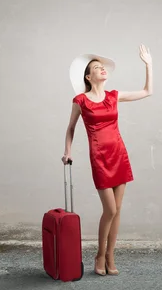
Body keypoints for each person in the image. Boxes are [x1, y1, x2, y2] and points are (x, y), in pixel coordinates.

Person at [61, 44, 153, 276]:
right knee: (110, 210)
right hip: (100, 157)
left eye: (103, 67)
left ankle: (111, 256)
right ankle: (100, 255)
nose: (102, 69)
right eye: (96, 67)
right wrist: (68, 151)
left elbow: (146, 92)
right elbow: (71, 128)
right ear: (88, 76)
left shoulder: (114, 96)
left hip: (119, 155)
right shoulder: (80, 100)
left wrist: (149, 65)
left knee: (118, 210)